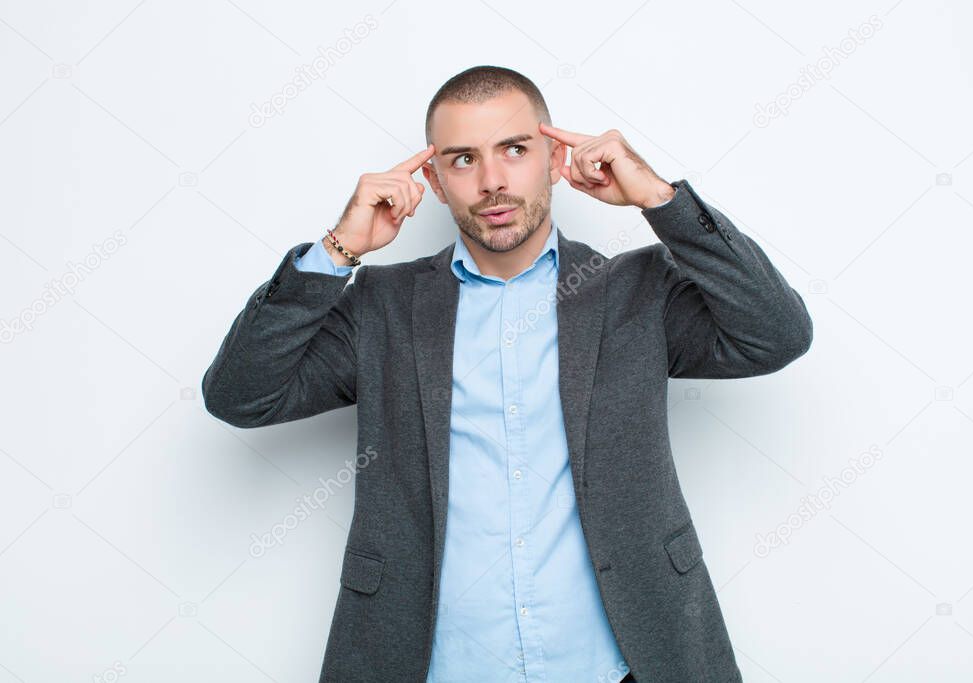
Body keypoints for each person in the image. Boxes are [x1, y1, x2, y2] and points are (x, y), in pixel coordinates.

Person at [202, 65, 813, 682]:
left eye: (514, 150)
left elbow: (777, 334)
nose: (492, 182)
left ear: (554, 158)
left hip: (623, 664)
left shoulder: (635, 293)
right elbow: (240, 396)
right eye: (463, 159)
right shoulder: (382, 307)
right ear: (435, 183)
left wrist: (661, 199)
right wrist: (337, 251)